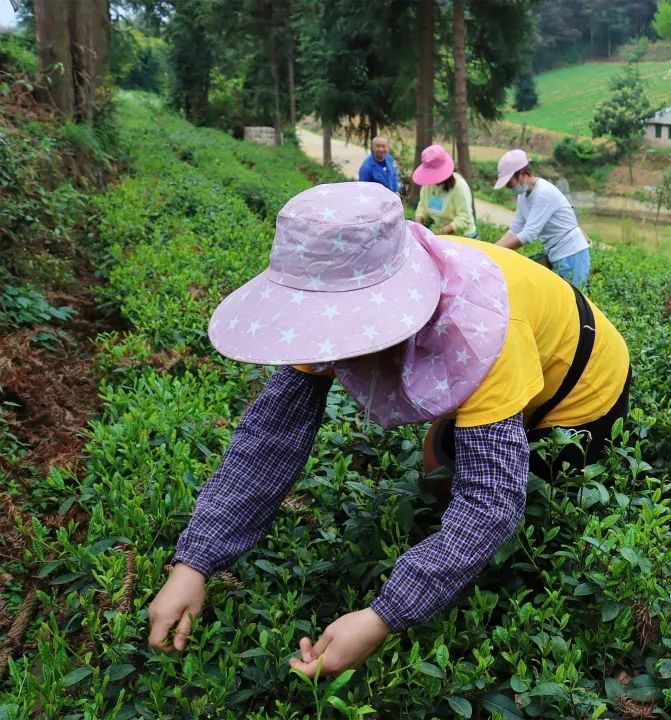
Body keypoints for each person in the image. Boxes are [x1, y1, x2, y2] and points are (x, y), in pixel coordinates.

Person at [146, 181, 631, 678]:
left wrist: (385, 614)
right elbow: (270, 439)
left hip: (583, 390)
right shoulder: (330, 303)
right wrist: (195, 561)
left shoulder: (482, 329)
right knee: (439, 466)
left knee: (532, 513)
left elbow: (491, 504)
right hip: (520, 354)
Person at [493, 149, 591, 289]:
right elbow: (515, 229)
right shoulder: (523, 197)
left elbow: (529, 234)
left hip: (572, 254)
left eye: (510, 183)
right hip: (555, 254)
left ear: (523, 174)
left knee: (574, 303)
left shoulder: (543, 194)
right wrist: (491, 249)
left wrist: (496, 251)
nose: (509, 187)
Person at [412, 144, 477, 239]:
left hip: (463, 236)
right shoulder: (427, 184)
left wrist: (439, 233)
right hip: (441, 235)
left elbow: (464, 218)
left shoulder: (459, 186)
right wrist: (419, 220)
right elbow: (422, 205)